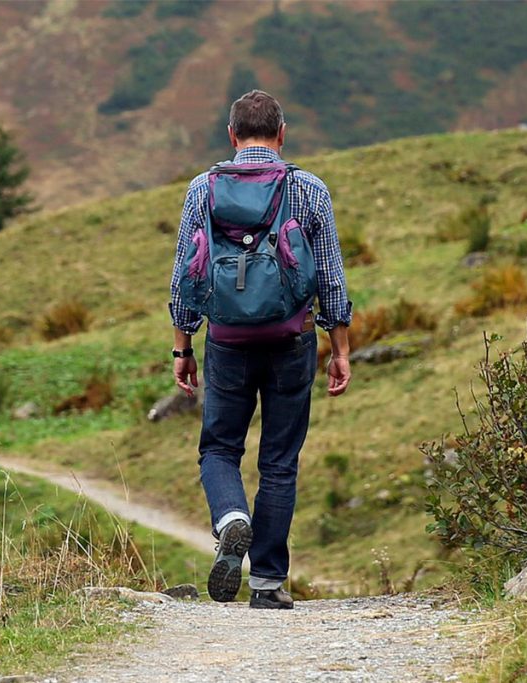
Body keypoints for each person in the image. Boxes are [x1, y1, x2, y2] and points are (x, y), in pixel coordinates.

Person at [168, 90, 352, 609]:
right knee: (279, 461)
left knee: (220, 448)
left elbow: (185, 273)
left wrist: (183, 346)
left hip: (226, 340)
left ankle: (231, 518)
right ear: (282, 133)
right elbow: (332, 278)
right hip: (292, 339)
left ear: (231, 135)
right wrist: (339, 347)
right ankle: (268, 583)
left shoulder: (202, 189)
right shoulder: (309, 189)